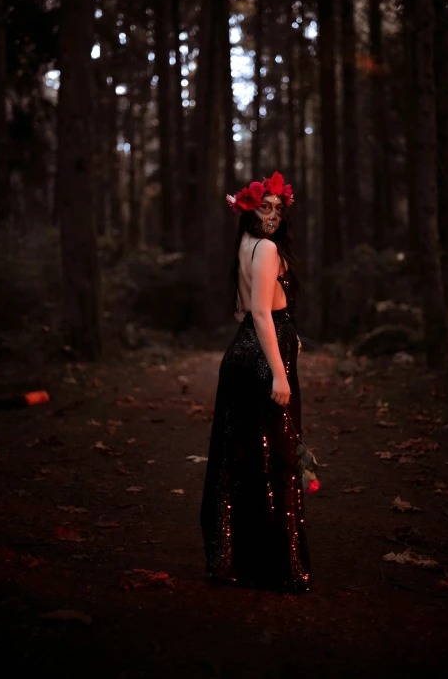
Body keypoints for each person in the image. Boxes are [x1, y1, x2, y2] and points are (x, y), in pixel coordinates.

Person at [200, 171, 312, 594]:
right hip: (262, 363)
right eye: (264, 207)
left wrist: (289, 335)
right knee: (275, 461)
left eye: (278, 209)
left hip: (244, 356)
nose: (272, 217)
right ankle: (272, 566)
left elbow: (244, 311)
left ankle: (238, 560)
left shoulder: (245, 246)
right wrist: (279, 371)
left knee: (245, 458)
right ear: (247, 207)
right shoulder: (265, 248)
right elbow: (263, 314)